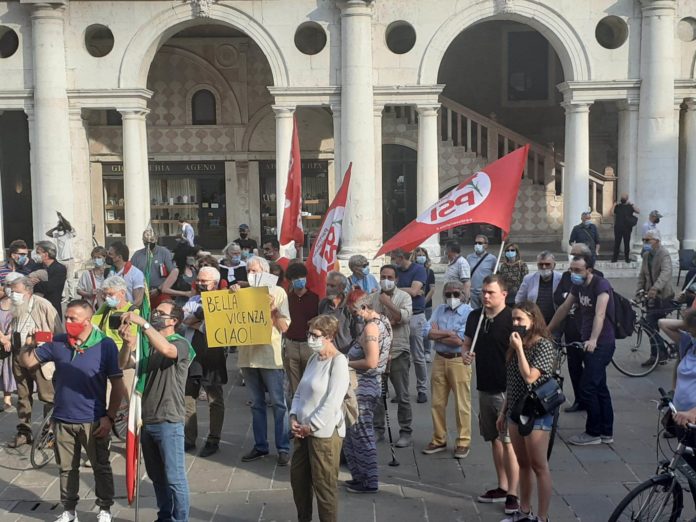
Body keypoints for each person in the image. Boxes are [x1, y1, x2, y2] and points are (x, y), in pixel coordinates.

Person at [20, 300, 125, 522]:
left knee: (101, 467)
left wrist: (110, 417)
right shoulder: (58, 342)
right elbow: (29, 363)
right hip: (62, 418)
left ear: (87, 321)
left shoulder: (105, 345)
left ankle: (104, 508)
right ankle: (69, 510)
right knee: (67, 468)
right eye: (66, 317)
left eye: (72, 319)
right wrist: (28, 344)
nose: (67, 322)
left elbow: (117, 384)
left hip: (93, 419)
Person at [118, 300, 193, 522]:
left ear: (174, 321)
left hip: (169, 419)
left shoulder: (180, 343)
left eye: (161, 313)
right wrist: (126, 344)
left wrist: (143, 324)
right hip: (147, 419)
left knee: (175, 477)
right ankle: (165, 516)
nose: (155, 315)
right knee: (157, 477)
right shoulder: (148, 345)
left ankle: (181, 519)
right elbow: (124, 363)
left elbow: (167, 350)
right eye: (155, 312)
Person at [462, 275, 520, 514]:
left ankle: (513, 494)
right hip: (484, 387)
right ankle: (502, 485)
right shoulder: (475, 317)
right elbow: (466, 344)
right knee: (494, 439)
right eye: (484, 292)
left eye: (491, 292)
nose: (485, 296)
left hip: (506, 389)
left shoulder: (511, 319)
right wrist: (465, 354)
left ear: (503, 294)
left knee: (508, 443)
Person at [548, 253, 616, 446]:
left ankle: (593, 432)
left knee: (587, 387)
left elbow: (600, 314)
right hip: (587, 341)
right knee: (600, 386)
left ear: (589, 270)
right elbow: (563, 308)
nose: (573, 273)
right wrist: (547, 330)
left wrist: (593, 339)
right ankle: (606, 431)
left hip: (601, 343)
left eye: (577, 270)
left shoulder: (601, 285)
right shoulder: (577, 286)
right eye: (571, 269)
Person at [289, 315, 349, 522]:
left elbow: (332, 402)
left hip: (324, 435)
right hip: (302, 432)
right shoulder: (314, 358)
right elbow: (299, 391)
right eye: (309, 334)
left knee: (324, 488)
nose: (310, 339)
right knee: (299, 481)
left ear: (329, 336)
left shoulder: (339, 362)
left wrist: (310, 426)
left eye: (315, 335)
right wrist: (293, 416)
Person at [500, 302, 556, 522]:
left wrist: (520, 350)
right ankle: (524, 512)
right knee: (523, 464)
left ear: (533, 320)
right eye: (513, 320)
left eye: (520, 319)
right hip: (515, 409)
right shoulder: (515, 344)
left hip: (536, 411)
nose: (515, 324)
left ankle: (542, 517)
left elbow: (530, 377)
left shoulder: (543, 346)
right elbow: (511, 380)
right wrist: (503, 411)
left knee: (539, 465)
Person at [238, 256, 291, 465]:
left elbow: (285, 327)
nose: (252, 275)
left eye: (255, 271)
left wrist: (273, 309)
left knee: (279, 404)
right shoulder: (241, 293)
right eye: (249, 271)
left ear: (266, 273)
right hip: (248, 357)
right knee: (256, 404)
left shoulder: (278, 293)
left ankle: (283, 447)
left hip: (270, 356)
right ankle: (260, 446)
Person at [343, 289, 392, 494]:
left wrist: (345, 362)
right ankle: (360, 476)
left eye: (355, 311)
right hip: (368, 384)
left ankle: (369, 481)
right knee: (355, 433)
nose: (354, 315)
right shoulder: (384, 322)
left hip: (364, 385)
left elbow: (371, 362)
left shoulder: (372, 328)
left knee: (362, 434)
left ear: (364, 307)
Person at [422, 281, 473, 459]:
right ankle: (439, 438)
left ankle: (463, 441)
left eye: (456, 294)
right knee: (437, 402)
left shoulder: (468, 313)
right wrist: (449, 333)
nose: (452, 298)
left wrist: (439, 334)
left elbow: (460, 340)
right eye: (449, 294)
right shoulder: (439, 309)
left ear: (462, 295)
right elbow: (426, 332)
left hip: (458, 360)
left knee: (462, 404)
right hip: (440, 359)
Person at [7, 275, 60, 448]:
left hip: (39, 356)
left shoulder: (43, 305)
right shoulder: (15, 306)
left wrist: (43, 341)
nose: (13, 295)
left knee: (47, 396)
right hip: (18, 353)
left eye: (17, 292)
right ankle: (24, 431)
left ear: (28, 291)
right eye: (12, 291)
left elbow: (59, 333)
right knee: (22, 395)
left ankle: (49, 431)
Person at [182, 266, 228, 457]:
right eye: (199, 280)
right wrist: (200, 318)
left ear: (215, 283)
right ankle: (189, 437)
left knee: (214, 397)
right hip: (193, 353)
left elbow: (217, 328)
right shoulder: (193, 300)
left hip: (213, 354)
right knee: (188, 396)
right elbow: (185, 319)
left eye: (204, 281)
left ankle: (214, 438)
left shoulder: (223, 301)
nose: (200, 284)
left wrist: (199, 321)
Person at [371, 264, 413, 447]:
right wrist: (388, 320)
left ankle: (405, 431)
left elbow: (404, 318)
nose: (385, 280)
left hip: (398, 351)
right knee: (378, 395)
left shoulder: (404, 297)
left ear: (396, 279)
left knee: (402, 395)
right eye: (383, 276)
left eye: (389, 277)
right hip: (378, 352)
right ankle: (378, 429)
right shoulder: (373, 297)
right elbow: (372, 320)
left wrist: (387, 304)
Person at [390, 248, 429, 403]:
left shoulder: (419, 270)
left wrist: (395, 289)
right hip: (398, 314)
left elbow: (414, 291)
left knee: (418, 355)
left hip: (415, 315)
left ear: (401, 256)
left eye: (394, 258)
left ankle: (422, 389)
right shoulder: (395, 271)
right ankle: (401, 391)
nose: (393, 261)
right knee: (399, 356)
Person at [91, 276, 139, 392]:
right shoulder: (106, 307)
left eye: (110, 294)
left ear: (122, 293)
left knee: (129, 396)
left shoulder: (133, 312)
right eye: (105, 295)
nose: (107, 298)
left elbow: (132, 342)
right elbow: (91, 324)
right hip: (105, 356)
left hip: (124, 359)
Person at [637, 229, 674, 366]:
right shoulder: (647, 255)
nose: (645, 243)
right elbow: (642, 276)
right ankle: (658, 354)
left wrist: (655, 288)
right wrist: (638, 292)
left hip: (663, 296)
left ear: (657, 241)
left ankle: (659, 354)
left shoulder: (663, 254)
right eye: (644, 240)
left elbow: (666, 273)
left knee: (649, 323)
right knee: (650, 324)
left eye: (648, 240)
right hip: (650, 297)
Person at [284, 262, 319, 395]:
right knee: (295, 387)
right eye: (295, 278)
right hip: (291, 344)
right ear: (290, 281)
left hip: (308, 344)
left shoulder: (315, 298)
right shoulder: (287, 299)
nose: (299, 280)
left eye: (301, 276)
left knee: (310, 382)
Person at [131, 229, 175, 306]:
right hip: (142, 294)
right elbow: (131, 275)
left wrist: (159, 289)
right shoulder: (137, 255)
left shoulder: (164, 253)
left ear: (156, 239)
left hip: (160, 292)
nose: (149, 243)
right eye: (146, 241)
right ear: (142, 241)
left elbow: (173, 274)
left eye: (151, 240)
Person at [515, 251, 562, 325]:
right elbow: (519, 300)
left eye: (547, 264)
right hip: (534, 322)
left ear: (554, 265)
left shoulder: (561, 279)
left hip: (555, 321)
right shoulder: (528, 279)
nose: (544, 267)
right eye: (541, 264)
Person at [318, 272, 355, 354]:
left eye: (332, 286)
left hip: (346, 354)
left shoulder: (349, 306)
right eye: (327, 285)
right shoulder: (323, 304)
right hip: (327, 352)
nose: (328, 289)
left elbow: (358, 333)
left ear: (342, 288)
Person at [30, 240, 68, 318]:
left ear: (46, 254)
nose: (36, 255)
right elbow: (28, 282)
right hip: (36, 308)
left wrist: (36, 283)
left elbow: (50, 287)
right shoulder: (36, 267)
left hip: (52, 308)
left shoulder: (59, 268)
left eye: (38, 253)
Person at [0, 273, 20, 411]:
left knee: (9, 369)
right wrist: (2, 338)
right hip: (1, 340)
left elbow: (21, 323)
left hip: (14, 342)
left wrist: (8, 338)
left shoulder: (20, 304)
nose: (9, 289)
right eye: (7, 285)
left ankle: (7, 397)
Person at [414, 247, 436, 363]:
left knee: (426, 328)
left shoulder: (429, 272)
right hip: (414, 305)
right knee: (415, 329)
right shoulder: (413, 271)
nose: (421, 257)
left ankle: (427, 351)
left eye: (423, 255)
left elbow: (432, 289)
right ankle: (417, 352)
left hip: (426, 305)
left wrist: (424, 301)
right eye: (419, 255)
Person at [106, 242, 145, 307]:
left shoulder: (135, 273)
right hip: (111, 311)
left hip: (127, 313)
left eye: (110, 254)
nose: (108, 256)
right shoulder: (110, 272)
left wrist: (126, 309)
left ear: (119, 257)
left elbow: (138, 300)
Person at [161, 243, 198, 307]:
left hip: (194, 305)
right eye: (190, 255)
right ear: (183, 257)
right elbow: (164, 289)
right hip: (181, 305)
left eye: (194, 255)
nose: (193, 258)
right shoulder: (176, 271)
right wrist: (185, 293)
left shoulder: (194, 270)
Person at [466, 235, 497, 308]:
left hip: (486, 292)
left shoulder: (492, 259)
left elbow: (495, 275)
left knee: (487, 312)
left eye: (480, 243)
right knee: (474, 314)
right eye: (476, 243)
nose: (477, 245)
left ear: (486, 245)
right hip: (473, 292)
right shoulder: (469, 257)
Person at [612, 194, 639, 263]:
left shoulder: (630, 206)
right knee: (617, 243)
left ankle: (627, 258)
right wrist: (614, 205)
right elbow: (612, 213)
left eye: (624, 198)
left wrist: (632, 204)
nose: (622, 199)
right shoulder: (618, 206)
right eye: (622, 198)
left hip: (627, 228)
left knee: (626, 243)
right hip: (618, 227)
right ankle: (615, 258)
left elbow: (638, 211)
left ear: (627, 199)